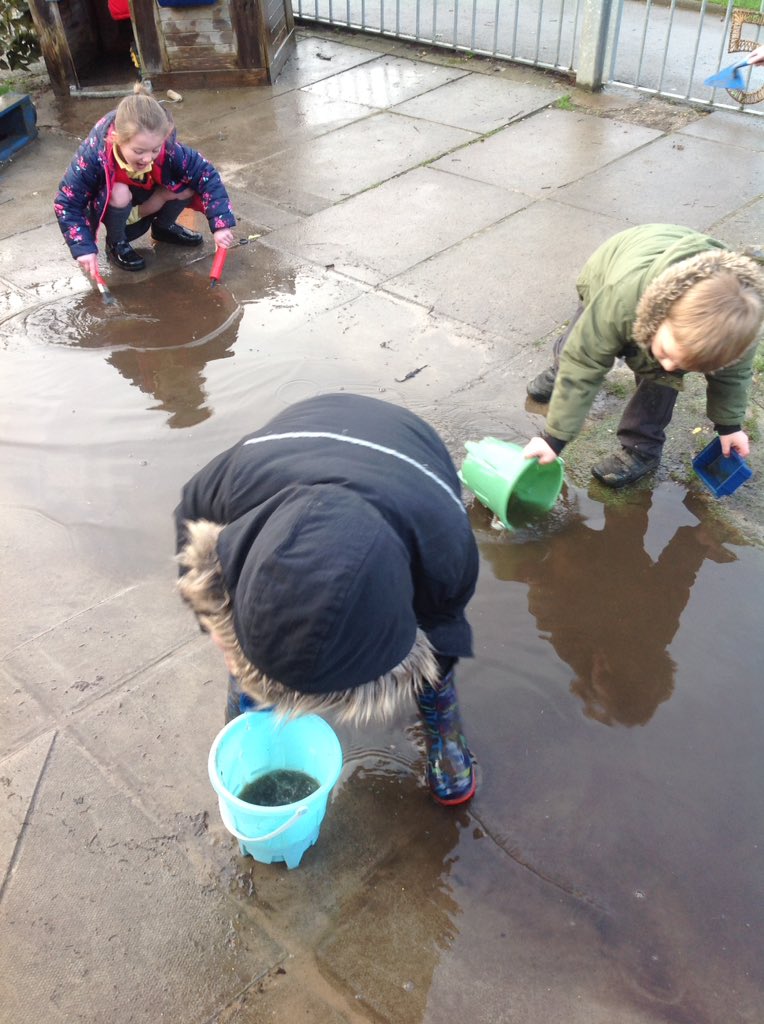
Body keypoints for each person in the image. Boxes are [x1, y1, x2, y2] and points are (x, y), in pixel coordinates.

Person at [174, 393, 479, 806]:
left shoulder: (445, 548)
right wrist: (219, 632)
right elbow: (189, 522)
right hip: (302, 431)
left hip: (411, 455)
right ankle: (247, 723)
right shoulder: (235, 480)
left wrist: (425, 666)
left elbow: (443, 634)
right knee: (249, 645)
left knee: (436, 665)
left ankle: (448, 747)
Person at [524, 224, 764, 487]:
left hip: (663, 284)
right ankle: (558, 373)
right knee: (578, 347)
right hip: (612, 269)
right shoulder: (621, 299)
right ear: (662, 315)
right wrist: (553, 440)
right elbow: (584, 360)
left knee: (661, 380)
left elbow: (733, 376)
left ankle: (641, 446)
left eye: (684, 364)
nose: (669, 364)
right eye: (667, 352)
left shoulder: (737, 335)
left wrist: (729, 426)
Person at [54, 84, 235, 275]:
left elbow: (207, 175)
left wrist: (221, 226)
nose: (148, 158)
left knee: (186, 187)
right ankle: (116, 242)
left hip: (148, 197)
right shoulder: (92, 156)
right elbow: (66, 203)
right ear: (116, 139)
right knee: (119, 192)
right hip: (119, 209)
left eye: (155, 149)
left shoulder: (169, 148)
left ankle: (163, 228)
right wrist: (83, 247)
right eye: (139, 151)